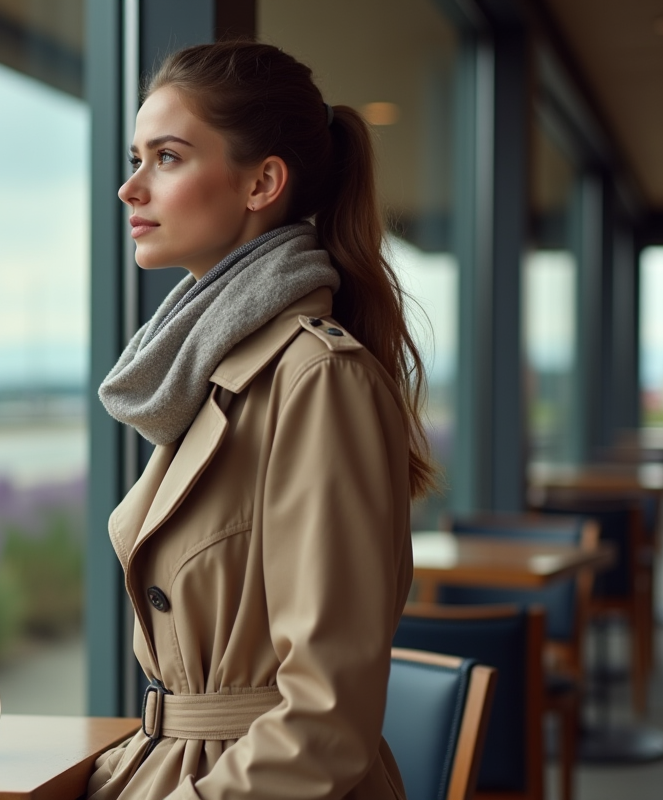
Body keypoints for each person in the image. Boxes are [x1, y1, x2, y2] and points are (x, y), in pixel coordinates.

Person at [89, 41, 436, 800]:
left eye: (167, 158)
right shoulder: (210, 370)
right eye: (136, 158)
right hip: (178, 768)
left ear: (262, 183)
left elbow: (325, 722)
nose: (129, 187)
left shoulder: (319, 379)